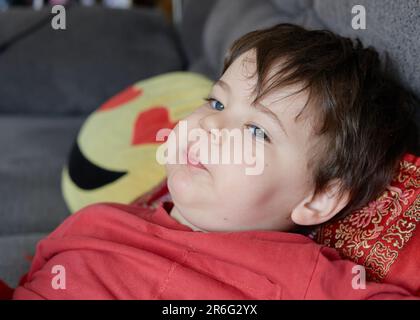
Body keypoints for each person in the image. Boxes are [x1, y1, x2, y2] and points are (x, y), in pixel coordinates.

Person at [13, 23, 419, 299]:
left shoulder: (305, 277)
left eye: (258, 130)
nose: (209, 124)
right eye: (217, 101)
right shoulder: (98, 221)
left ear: (318, 199)